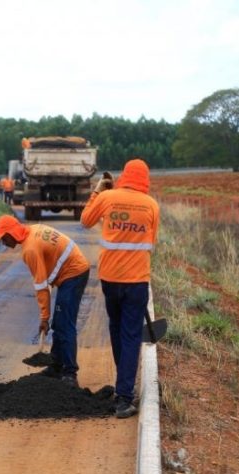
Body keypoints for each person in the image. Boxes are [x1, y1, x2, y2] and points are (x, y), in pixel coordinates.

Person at [80, 159, 160, 419]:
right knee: (130, 335)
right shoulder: (151, 205)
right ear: (145, 179)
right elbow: (152, 241)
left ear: (124, 176)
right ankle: (124, 397)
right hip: (136, 281)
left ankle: (123, 385)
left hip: (110, 279)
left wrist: (98, 190)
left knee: (116, 328)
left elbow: (85, 220)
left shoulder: (108, 197)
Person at [0, 215, 90, 386]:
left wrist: (44, 317)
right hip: (71, 270)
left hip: (74, 273)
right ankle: (57, 366)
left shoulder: (30, 249)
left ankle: (70, 373)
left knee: (65, 324)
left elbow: (41, 286)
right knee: (59, 323)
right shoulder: (33, 229)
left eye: (3, 238)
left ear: (11, 233)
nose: (3, 243)